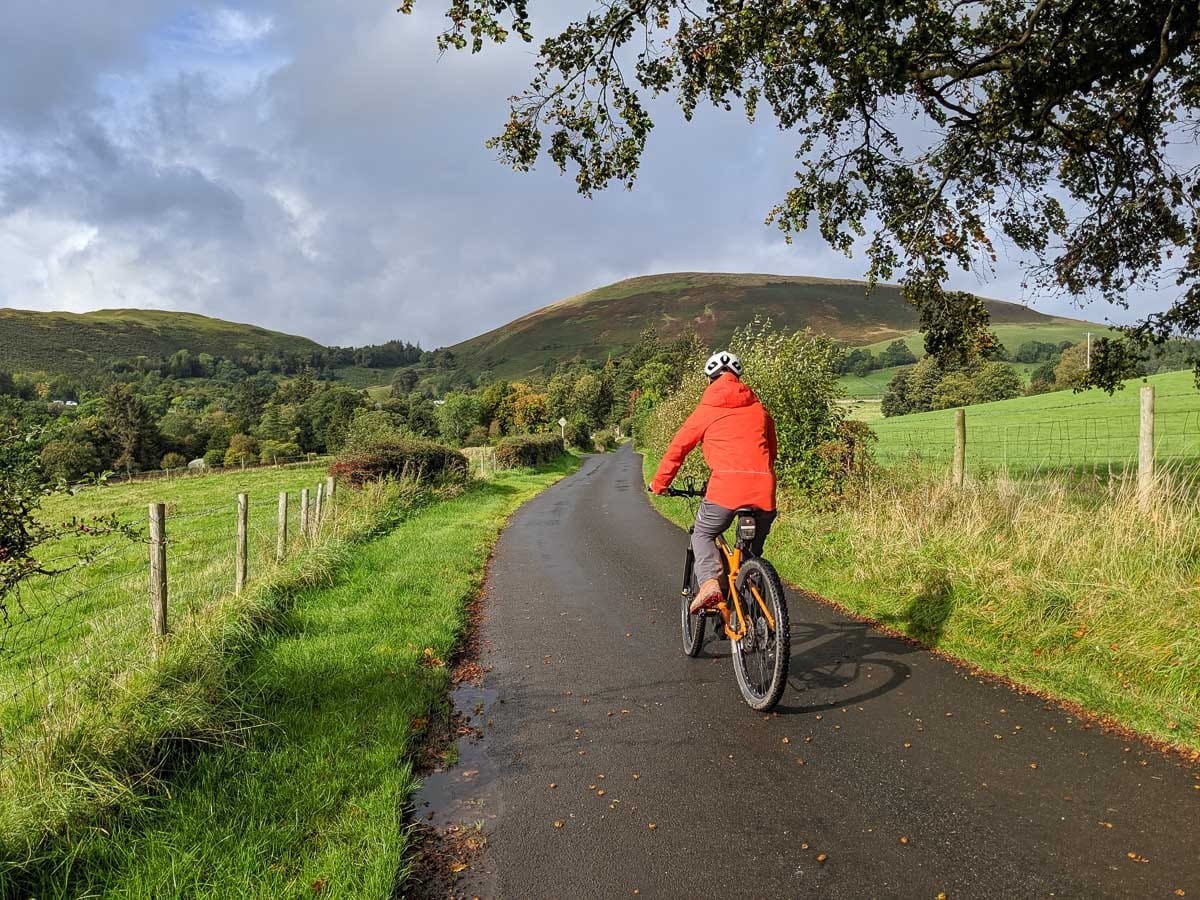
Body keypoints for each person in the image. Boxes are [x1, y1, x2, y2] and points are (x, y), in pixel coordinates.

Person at [649, 350, 777, 613]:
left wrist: (660, 484)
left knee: (703, 533)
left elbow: (678, 449)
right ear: (739, 379)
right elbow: (771, 452)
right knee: (751, 554)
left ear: (710, 380)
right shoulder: (760, 411)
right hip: (764, 490)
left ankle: (709, 583)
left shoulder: (706, 410)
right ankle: (753, 593)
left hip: (725, 490)